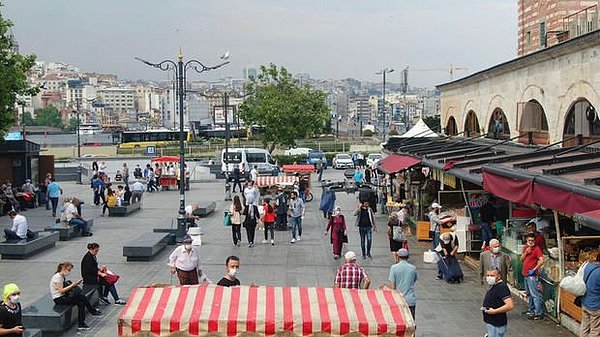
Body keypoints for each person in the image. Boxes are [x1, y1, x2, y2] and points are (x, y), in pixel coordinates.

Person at [50, 262, 101, 331]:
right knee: (80, 303)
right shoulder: (58, 277)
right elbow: (61, 290)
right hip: (59, 299)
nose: (69, 272)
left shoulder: (61, 276)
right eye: (68, 270)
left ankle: (92, 311)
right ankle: (81, 323)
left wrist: (74, 284)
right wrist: (73, 285)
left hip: (63, 296)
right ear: (63, 268)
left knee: (82, 296)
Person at [384, 248, 417, 319]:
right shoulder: (413, 268)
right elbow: (413, 281)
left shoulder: (394, 268)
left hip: (398, 300)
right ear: (408, 257)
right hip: (410, 300)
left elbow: (393, 287)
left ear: (398, 257)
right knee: (410, 323)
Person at [482, 267, 514, 337]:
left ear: (499, 276)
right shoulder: (494, 285)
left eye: (492, 276)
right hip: (492, 322)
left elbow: (510, 305)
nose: (489, 278)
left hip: (496, 324)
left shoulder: (501, 287)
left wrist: (494, 311)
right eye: (488, 275)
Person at [520, 232, 544, 320]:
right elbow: (521, 259)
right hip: (525, 274)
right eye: (529, 240)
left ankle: (538, 313)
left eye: (532, 240)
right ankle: (531, 309)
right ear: (527, 240)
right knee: (529, 294)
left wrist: (534, 269)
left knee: (535, 294)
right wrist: (526, 252)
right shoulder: (525, 248)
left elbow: (541, 261)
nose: (531, 242)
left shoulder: (537, 249)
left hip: (532, 276)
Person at [580, 253, 600, 337]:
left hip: (585, 302)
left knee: (584, 327)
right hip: (595, 306)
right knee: (595, 331)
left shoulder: (588, 266)